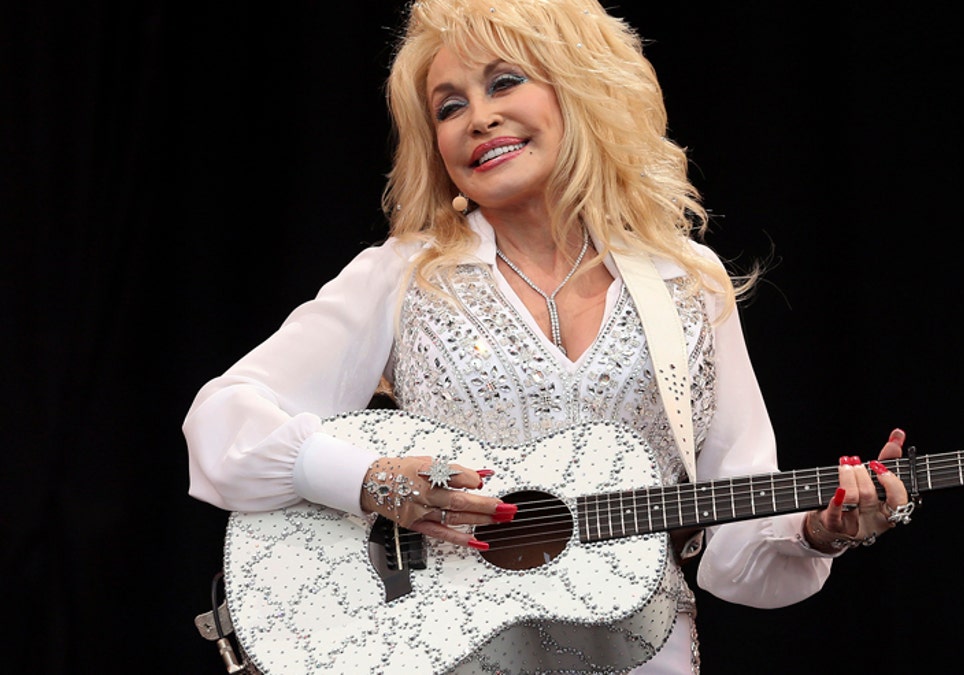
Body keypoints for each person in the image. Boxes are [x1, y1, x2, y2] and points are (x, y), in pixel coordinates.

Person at [182, 1, 913, 672]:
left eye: (505, 82)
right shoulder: (404, 274)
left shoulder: (686, 281)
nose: (478, 118)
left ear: (580, 90)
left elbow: (737, 542)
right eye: (450, 106)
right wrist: (374, 482)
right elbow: (221, 422)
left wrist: (823, 529)